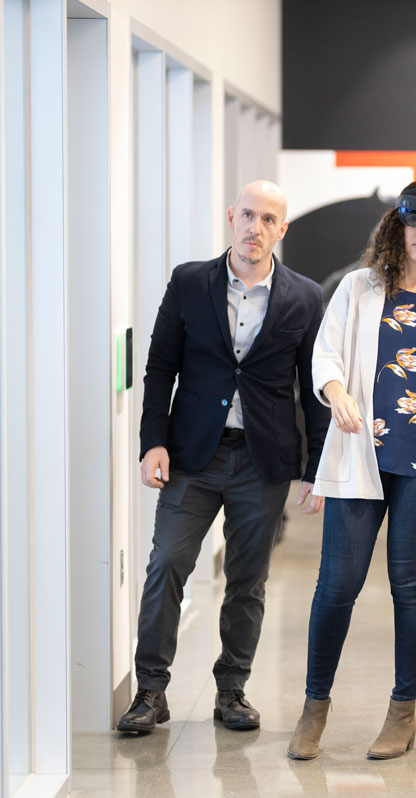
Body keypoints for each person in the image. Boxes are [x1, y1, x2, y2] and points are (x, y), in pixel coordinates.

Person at [288, 181, 416, 761]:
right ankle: (313, 707)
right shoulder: (359, 287)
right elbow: (325, 354)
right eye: (414, 220)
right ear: (397, 224)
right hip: (361, 456)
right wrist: (335, 391)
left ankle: (403, 711)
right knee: (337, 586)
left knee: (410, 588)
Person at [119, 181, 329, 734]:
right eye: (249, 215)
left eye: (269, 219)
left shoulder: (306, 297)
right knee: (167, 564)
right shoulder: (190, 281)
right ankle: (150, 691)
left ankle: (231, 690)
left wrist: (317, 468)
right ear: (232, 217)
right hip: (192, 456)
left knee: (247, 581)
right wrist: (152, 441)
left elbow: (314, 390)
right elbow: (160, 366)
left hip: (263, 462)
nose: (256, 228)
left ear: (282, 229)